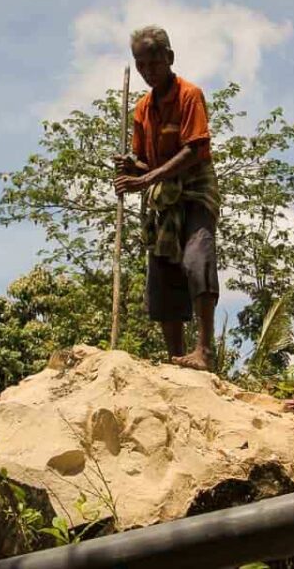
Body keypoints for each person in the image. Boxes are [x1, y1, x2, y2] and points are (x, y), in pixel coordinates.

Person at [113, 25, 220, 371]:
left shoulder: (189, 95)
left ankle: (204, 350)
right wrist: (132, 166)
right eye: (140, 65)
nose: (147, 72)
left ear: (169, 58)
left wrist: (144, 178)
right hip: (164, 198)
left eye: (153, 64)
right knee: (162, 273)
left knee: (196, 257)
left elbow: (193, 149)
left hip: (194, 190)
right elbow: (144, 159)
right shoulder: (143, 109)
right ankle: (177, 358)